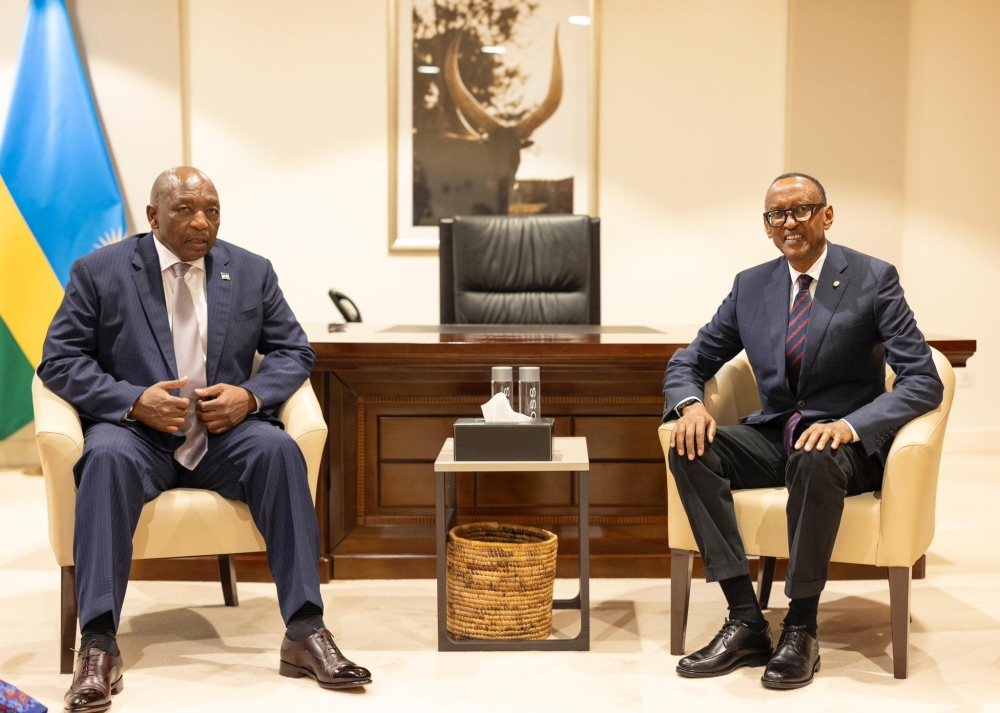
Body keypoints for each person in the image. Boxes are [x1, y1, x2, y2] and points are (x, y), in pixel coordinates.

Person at [38, 167, 372, 713]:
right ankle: (97, 644)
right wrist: (133, 399)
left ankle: (306, 632)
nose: (201, 222)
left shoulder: (250, 271)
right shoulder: (99, 272)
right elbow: (59, 360)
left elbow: (294, 351)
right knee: (102, 460)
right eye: (186, 210)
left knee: (279, 450)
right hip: (136, 435)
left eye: (211, 210)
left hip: (222, 438)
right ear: (152, 217)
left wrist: (251, 397)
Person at [662, 173, 943, 689]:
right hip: (777, 432)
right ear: (766, 225)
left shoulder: (873, 277)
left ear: (826, 216)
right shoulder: (752, 285)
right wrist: (690, 406)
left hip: (845, 445)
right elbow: (690, 360)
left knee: (814, 456)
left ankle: (801, 626)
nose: (789, 222)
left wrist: (851, 426)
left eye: (801, 210)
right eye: (777, 214)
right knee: (690, 447)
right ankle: (745, 619)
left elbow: (922, 382)